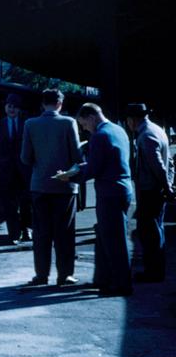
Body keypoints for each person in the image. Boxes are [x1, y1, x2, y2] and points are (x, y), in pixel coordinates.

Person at [55, 103, 134, 296]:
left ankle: (121, 284)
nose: (84, 129)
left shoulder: (99, 136)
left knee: (114, 241)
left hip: (109, 193)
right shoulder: (118, 130)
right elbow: (105, 161)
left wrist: (69, 176)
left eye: (83, 124)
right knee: (108, 237)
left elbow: (94, 168)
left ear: (91, 117)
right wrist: (81, 168)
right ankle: (104, 279)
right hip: (123, 189)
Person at [20, 89, 82, 286]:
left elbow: (25, 158)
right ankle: (65, 275)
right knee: (64, 232)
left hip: (39, 186)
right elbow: (77, 157)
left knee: (41, 233)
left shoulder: (30, 124)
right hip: (65, 188)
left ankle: (41, 275)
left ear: (42, 103)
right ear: (60, 104)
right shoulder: (68, 123)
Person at [125, 103, 175, 282]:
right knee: (156, 229)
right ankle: (156, 270)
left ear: (132, 119)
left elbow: (158, 165)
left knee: (149, 233)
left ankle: (153, 272)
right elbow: (169, 162)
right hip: (156, 189)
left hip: (149, 190)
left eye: (127, 120)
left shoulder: (145, 136)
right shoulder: (157, 130)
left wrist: (167, 186)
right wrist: (168, 183)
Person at [0, 93, 32, 244]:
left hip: (25, 169)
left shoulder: (27, 123)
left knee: (26, 201)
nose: (12, 109)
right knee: (9, 202)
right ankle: (13, 233)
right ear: (5, 107)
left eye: (15, 106)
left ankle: (26, 229)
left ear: (19, 109)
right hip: (5, 170)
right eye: (9, 106)